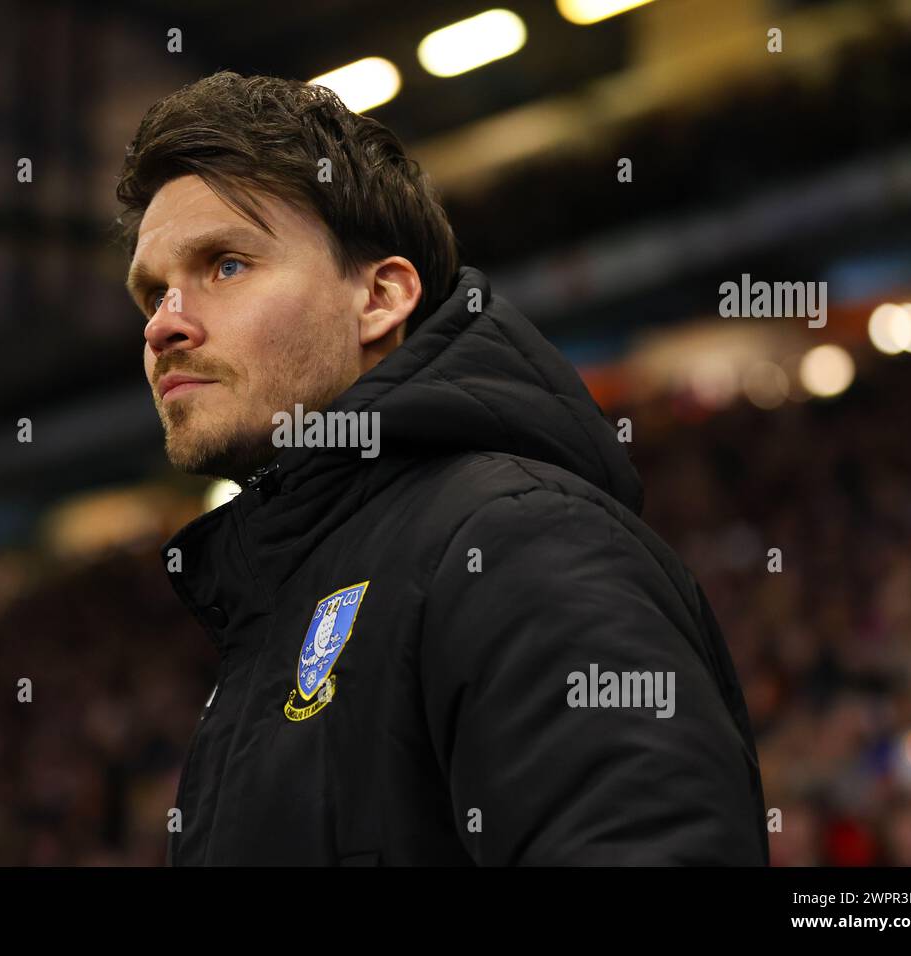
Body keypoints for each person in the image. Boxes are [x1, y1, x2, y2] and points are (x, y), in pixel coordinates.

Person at [113, 70, 768, 865]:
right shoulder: (276, 607)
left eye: (224, 266)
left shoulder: (515, 537)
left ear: (381, 297)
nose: (164, 329)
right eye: (153, 296)